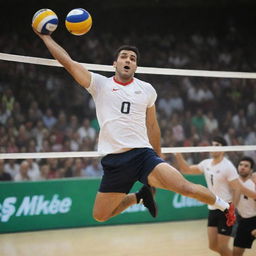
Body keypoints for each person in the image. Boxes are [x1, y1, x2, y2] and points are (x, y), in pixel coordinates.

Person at [33, 28, 235, 224]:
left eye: (132, 58)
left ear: (136, 66)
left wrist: (158, 155)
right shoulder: (100, 84)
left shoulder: (146, 89)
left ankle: (226, 206)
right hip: (114, 161)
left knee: (186, 187)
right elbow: (69, 63)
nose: (128, 60)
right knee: (100, 215)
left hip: (143, 156)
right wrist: (45, 38)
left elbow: (153, 125)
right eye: (124, 56)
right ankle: (140, 196)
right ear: (115, 63)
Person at [175, 136, 256, 256]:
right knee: (213, 246)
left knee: (222, 246)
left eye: (217, 145)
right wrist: (178, 155)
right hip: (212, 208)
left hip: (225, 208)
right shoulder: (206, 163)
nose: (213, 147)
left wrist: (232, 209)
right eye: (212, 144)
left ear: (223, 149)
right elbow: (186, 169)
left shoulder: (228, 166)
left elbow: (237, 188)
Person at [233, 156, 256, 256]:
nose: (242, 167)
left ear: (251, 170)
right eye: (241, 165)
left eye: (246, 166)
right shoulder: (234, 181)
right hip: (243, 220)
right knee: (236, 252)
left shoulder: (253, 182)